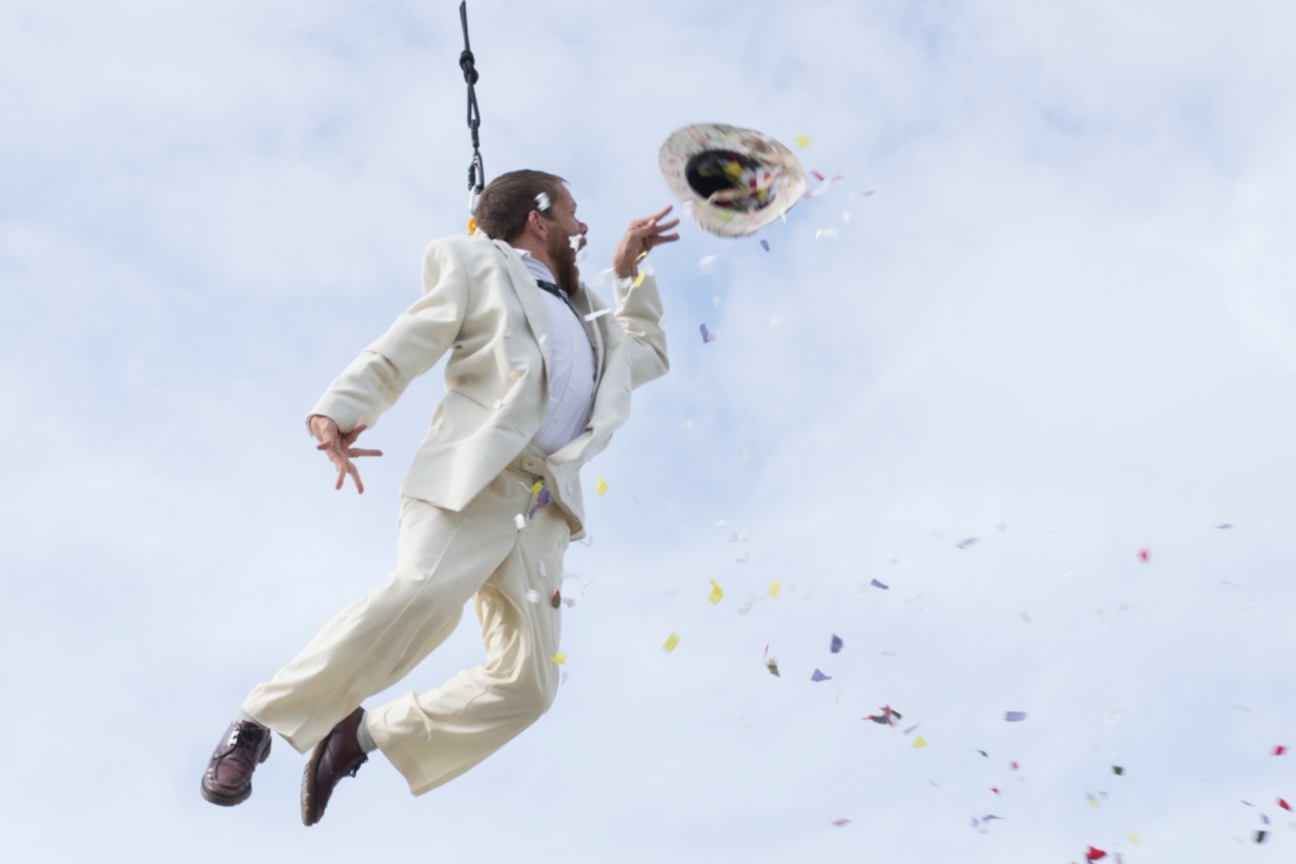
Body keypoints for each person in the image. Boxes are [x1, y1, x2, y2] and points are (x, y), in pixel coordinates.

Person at [200, 170, 679, 825]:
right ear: (537, 218)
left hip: (543, 505)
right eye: (571, 212)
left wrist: (630, 275)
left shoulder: (590, 313)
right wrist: (341, 407)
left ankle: (360, 735)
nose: (583, 227)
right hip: (474, 477)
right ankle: (256, 724)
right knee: (421, 597)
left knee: (529, 686)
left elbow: (645, 353)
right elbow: (415, 334)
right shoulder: (476, 261)